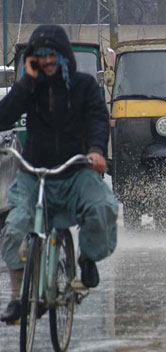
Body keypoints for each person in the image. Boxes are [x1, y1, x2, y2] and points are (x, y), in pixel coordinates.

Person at [0, 25, 117, 323]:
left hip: (75, 171)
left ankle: (87, 257)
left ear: (63, 55)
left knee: (101, 208)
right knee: (14, 228)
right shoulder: (30, 86)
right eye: (40, 57)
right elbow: (4, 117)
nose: (47, 62)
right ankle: (18, 298)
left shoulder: (84, 86)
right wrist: (26, 81)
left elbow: (97, 120)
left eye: (52, 55)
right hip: (33, 173)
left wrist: (95, 150)